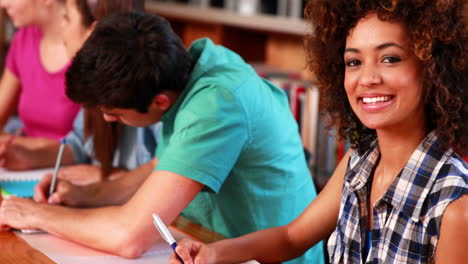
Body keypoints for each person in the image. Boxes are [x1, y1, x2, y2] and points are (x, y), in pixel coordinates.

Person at [0, 11, 324, 264]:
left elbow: (129, 238)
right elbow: (165, 166)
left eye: (115, 113)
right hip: (206, 243)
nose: (107, 119)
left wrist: (33, 213)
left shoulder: (215, 104)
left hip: (265, 259)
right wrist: (89, 195)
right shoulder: (196, 66)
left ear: (159, 102)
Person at [166, 0, 468, 264]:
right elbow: (291, 238)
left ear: (434, 67)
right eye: (354, 62)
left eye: (390, 58)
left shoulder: (455, 207)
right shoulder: (360, 159)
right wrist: (214, 254)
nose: (367, 78)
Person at [0, 0, 157, 189]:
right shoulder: (94, 80)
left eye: (67, 18)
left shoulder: (154, 90)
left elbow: (171, 174)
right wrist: (28, 156)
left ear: (94, 32)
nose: (62, 28)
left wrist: (109, 176)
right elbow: (79, 144)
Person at [0, 0, 80, 140]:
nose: (3, 4)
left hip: (66, 160)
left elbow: (86, 149)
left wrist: (21, 149)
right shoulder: (24, 38)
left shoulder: (87, 45)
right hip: (25, 157)